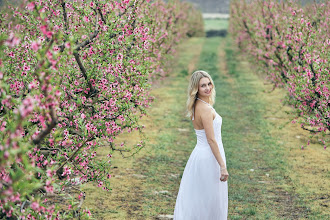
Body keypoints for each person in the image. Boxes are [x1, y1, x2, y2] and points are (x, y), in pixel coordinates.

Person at [173, 70, 229, 220]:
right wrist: (222, 166)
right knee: (209, 200)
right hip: (209, 157)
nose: (208, 88)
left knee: (201, 198)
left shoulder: (198, 104)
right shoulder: (204, 108)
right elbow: (211, 139)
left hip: (201, 154)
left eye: (209, 83)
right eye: (203, 85)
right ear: (196, 89)